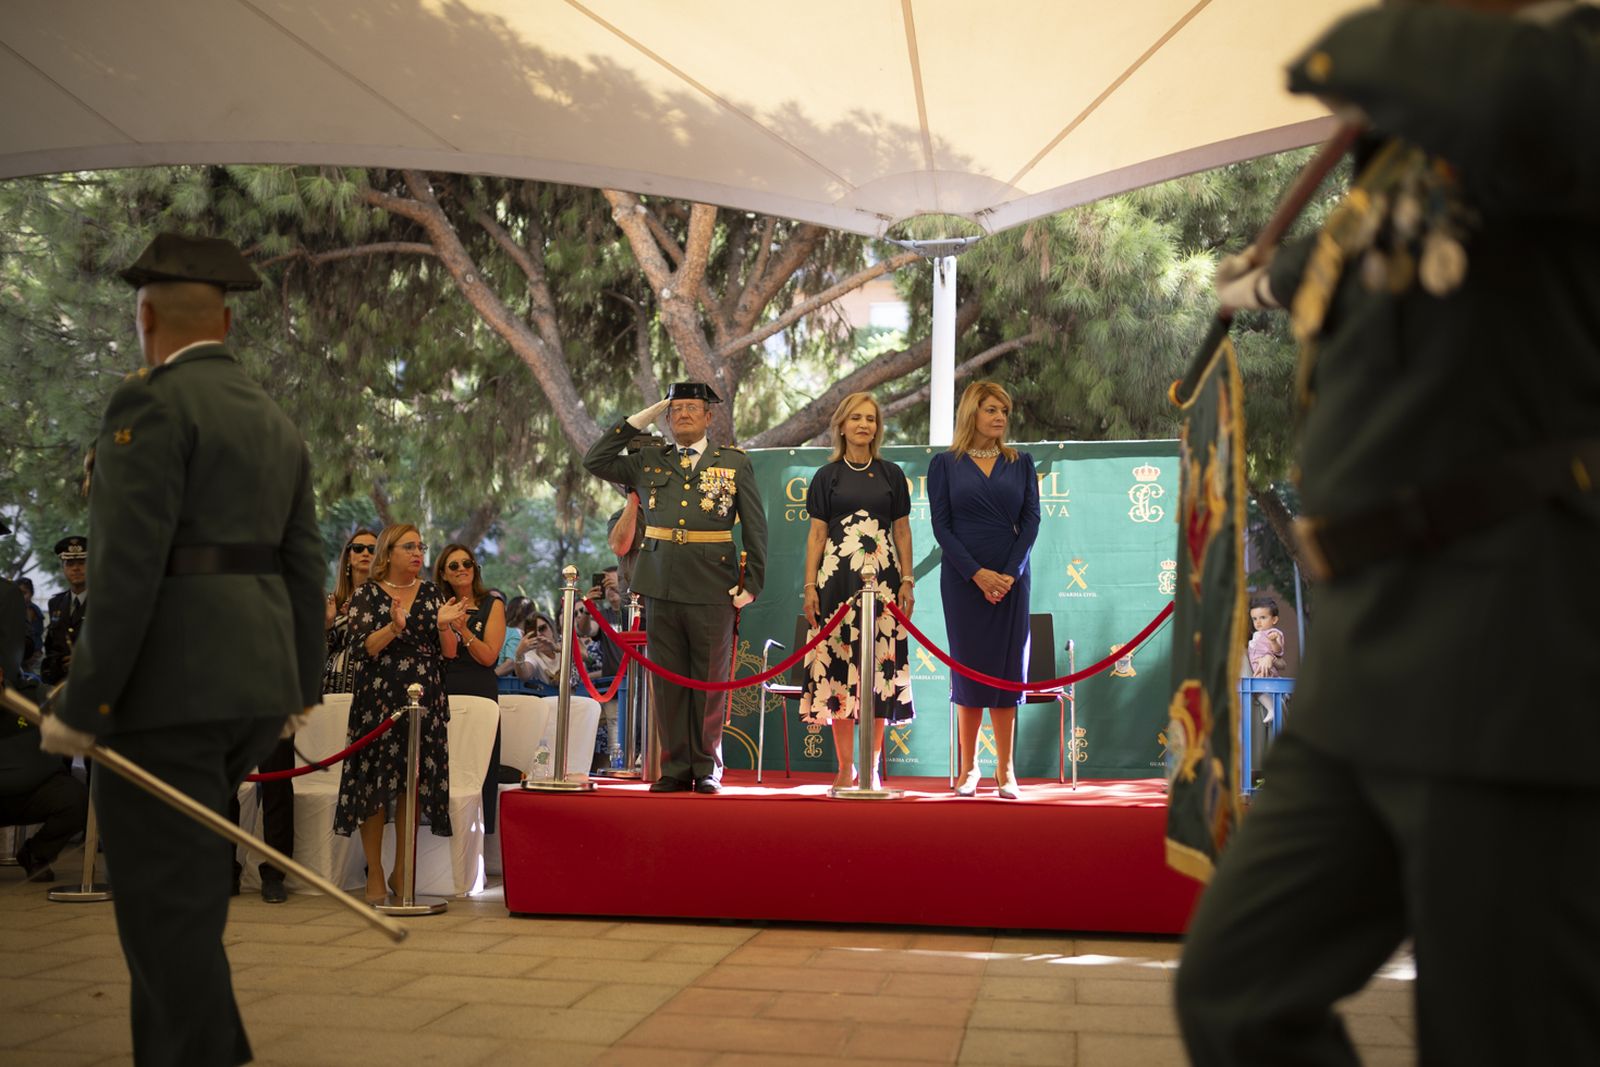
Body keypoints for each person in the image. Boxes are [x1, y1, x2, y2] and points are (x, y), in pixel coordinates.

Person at [1176, 3, 1600, 1064]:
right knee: (1237, 989)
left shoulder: (1558, 76)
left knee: (1504, 1036)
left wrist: (1366, 50)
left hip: (1503, 644)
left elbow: (1514, 105)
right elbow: (1360, 250)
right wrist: (1260, 281)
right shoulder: (1414, 150)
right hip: (1365, 659)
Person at [37, 232, 325, 1067]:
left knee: (165, 910)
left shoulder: (149, 404)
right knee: (189, 898)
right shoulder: (272, 417)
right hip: (253, 685)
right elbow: (304, 559)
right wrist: (299, 682)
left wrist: (85, 702)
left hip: (171, 689)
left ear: (147, 315)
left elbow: (128, 568)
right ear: (228, 321)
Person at [583, 381, 768, 794]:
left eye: (691, 407)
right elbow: (595, 458)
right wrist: (640, 418)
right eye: (675, 408)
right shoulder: (649, 461)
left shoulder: (733, 463)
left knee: (708, 679)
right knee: (667, 682)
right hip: (660, 584)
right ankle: (675, 767)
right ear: (666, 418)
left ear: (709, 416)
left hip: (713, 585)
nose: (683, 414)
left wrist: (751, 583)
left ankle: (706, 767)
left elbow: (756, 526)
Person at [334, 524, 464, 902]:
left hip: (425, 700)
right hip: (378, 701)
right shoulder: (366, 595)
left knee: (413, 785)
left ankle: (402, 870)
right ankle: (374, 870)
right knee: (372, 787)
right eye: (409, 546)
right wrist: (394, 627)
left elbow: (450, 653)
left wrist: (445, 626)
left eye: (421, 546)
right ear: (388, 553)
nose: (417, 552)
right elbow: (363, 649)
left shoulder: (430, 593)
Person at [927, 381, 1040, 799]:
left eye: (1004, 411)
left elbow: (1031, 522)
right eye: (990, 409)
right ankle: (968, 768)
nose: (999, 417)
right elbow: (942, 527)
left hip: (1013, 576)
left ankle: (1006, 770)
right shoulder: (945, 464)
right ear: (971, 413)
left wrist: (1008, 574)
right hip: (962, 577)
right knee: (968, 668)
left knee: (1009, 670)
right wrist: (976, 574)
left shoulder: (1021, 462)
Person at [798, 391, 916, 789]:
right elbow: (816, 535)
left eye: (871, 419)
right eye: (856, 418)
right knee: (838, 675)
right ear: (842, 426)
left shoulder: (891, 474)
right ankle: (845, 767)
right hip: (836, 587)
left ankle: (871, 766)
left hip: (883, 586)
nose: (864, 425)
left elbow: (901, 530)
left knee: (879, 673)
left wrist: (907, 579)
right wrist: (810, 585)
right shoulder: (826, 477)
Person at [434, 543, 507, 832]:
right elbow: (446, 653)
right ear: (444, 573)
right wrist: (447, 624)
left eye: (467, 563)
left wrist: (463, 629)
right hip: (444, 687)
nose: (462, 569)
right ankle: (439, 826)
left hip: (480, 690)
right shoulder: (439, 607)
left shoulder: (493, 604)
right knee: (445, 761)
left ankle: (478, 836)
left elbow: (489, 656)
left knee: (478, 763)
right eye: (454, 565)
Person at [323, 528, 378, 695]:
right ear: (348, 557)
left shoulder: (388, 600)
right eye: (358, 548)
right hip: (337, 686)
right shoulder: (334, 601)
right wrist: (327, 623)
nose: (366, 553)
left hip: (376, 683)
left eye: (372, 549)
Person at [39, 535, 88, 684]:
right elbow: (51, 646)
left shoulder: (106, 602)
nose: (75, 568)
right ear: (63, 568)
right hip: (59, 684)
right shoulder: (56, 603)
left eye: (82, 562)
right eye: (69, 563)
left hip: (93, 683)